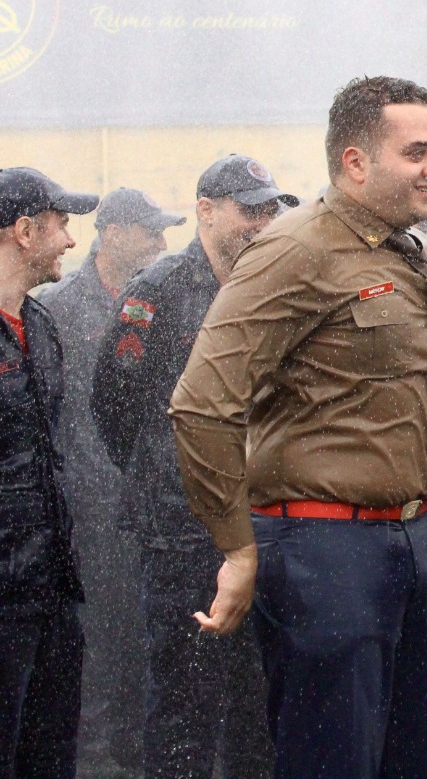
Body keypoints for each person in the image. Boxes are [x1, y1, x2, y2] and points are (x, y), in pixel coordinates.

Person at [169, 77, 427, 778]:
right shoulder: (293, 249)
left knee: (420, 763)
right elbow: (202, 403)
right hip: (326, 552)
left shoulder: (414, 251)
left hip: (420, 541)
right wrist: (237, 549)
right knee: (333, 761)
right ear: (355, 162)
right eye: (416, 153)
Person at [91, 156, 296, 779]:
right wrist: (170, 473)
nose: (261, 224)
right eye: (248, 210)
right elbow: (115, 404)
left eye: (269, 211)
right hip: (181, 534)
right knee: (185, 699)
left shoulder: (272, 284)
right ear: (206, 210)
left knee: (257, 699)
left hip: (261, 522)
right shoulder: (157, 291)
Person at [36, 186, 184, 770]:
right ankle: (96, 749)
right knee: (97, 629)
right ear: (114, 233)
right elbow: (58, 410)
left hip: (147, 496)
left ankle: (131, 743)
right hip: (86, 501)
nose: (161, 242)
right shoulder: (60, 306)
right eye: (150, 230)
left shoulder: (158, 299)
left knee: (141, 629)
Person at [0, 167, 99, 777]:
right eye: (61, 224)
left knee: (49, 755)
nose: (70, 239)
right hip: (4, 595)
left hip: (53, 590)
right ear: (24, 230)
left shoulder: (39, 325)